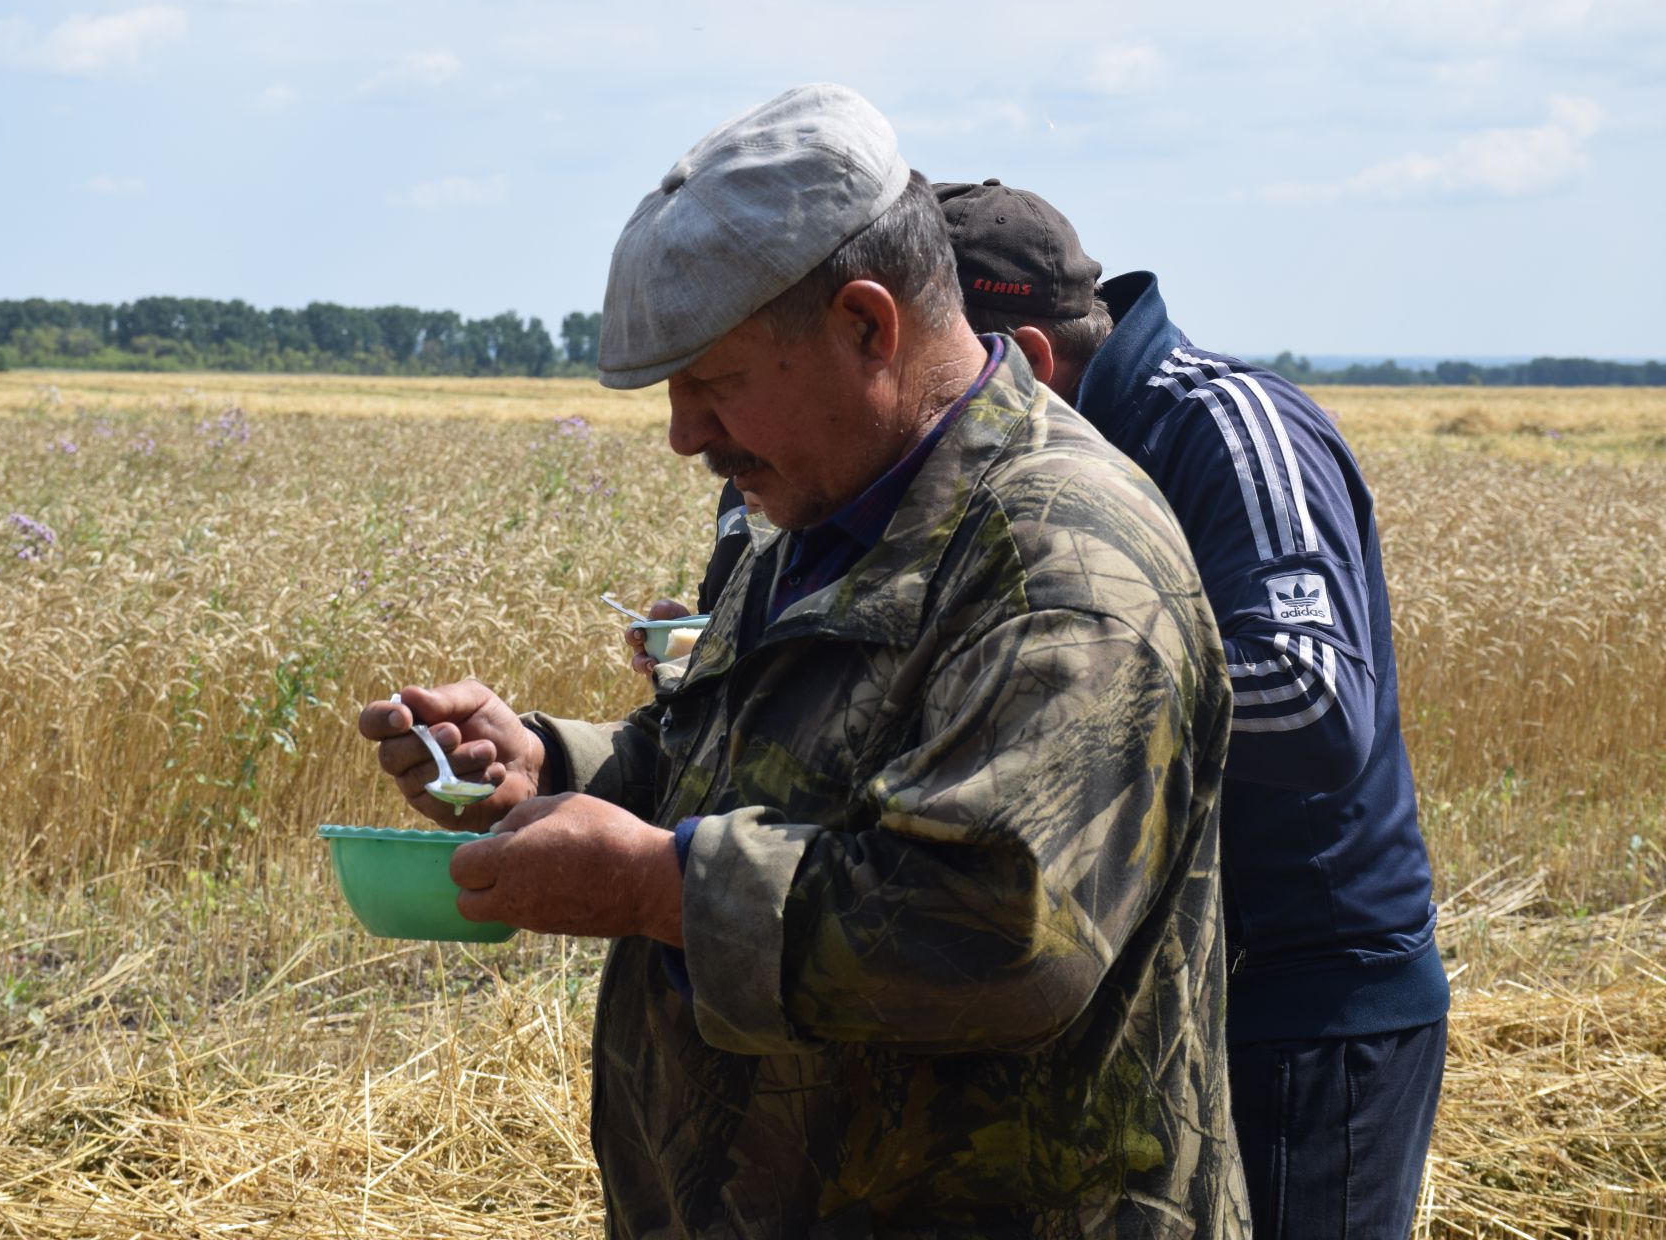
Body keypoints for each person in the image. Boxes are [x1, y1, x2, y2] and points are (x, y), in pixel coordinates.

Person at [359, 84, 1248, 1237]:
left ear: (868, 325)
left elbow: (997, 928)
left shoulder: (1061, 566)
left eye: (712, 381)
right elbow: (727, 762)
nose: (684, 433)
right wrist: (541, 767)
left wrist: (651, 884)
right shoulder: (818, 510)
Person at [934, 178, 1448, 1239]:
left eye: (940, 381)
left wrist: (1039, 717)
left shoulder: (1227, 427)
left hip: (1303, 1004)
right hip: (1153, 988)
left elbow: (1315, 704)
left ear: (1025, 352)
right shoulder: (1025, 462)